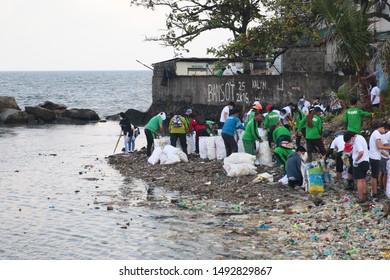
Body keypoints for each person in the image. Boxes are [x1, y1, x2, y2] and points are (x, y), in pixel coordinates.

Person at [344, 131, 370, 202]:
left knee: (359, 181)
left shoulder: (357, 141)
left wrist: (355, 160)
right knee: (363, 179)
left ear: (352, 137)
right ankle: (364, 195)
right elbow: (355, 150)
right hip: (366, 162)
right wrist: (349, 154)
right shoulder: (360, 137)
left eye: (349, 141)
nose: (350, 142)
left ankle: (360, 197)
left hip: (359, 163)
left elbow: (361, 152)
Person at [368, 123, 390, 199]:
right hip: (375, 158)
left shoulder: (375, 133)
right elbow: (379, 146)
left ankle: (375, 191)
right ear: (382, 128)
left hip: (374, 157)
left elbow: (379, 149)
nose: (385, 133)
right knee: (374, 176)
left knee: (375, 175)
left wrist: (387, 155)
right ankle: (375, 193)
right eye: (385, 131)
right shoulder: (377, 134)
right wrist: (388, 147)